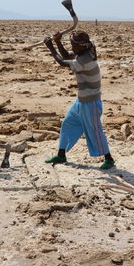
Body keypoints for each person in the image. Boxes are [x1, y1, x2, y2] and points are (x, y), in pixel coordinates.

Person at [43, 31, 115, 170]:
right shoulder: (84, 52)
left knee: (95, 130)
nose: (72, 49)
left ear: (81, 46)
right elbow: (66, 55)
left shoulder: (85, 59)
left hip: (91, 102)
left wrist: (50, 46)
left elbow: (62, 62)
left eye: (73, 46)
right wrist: (58, 42)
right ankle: (61, 154)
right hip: (82, 100)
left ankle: (109, 159)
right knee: (68, 123)